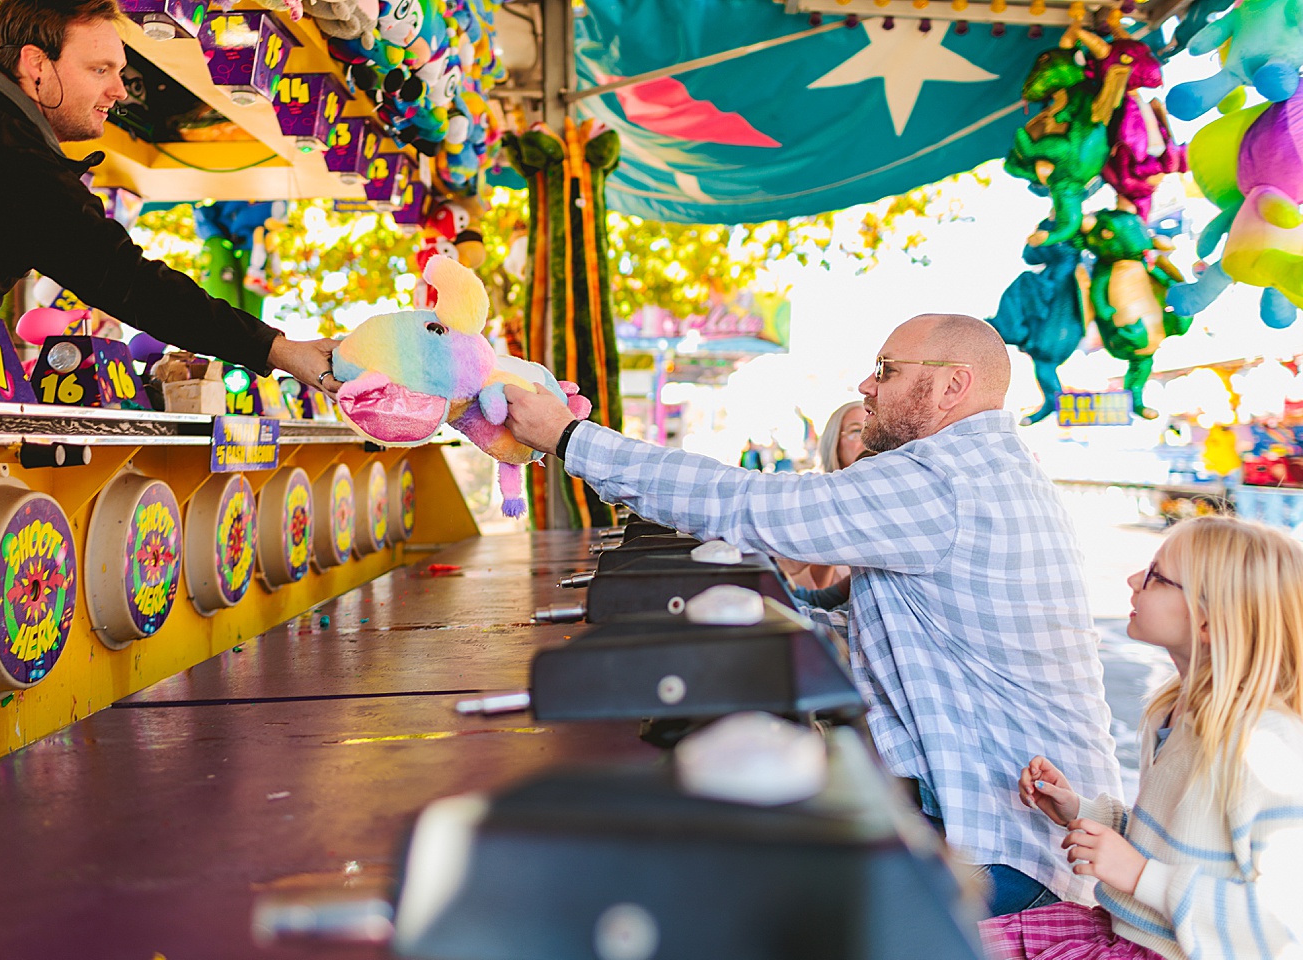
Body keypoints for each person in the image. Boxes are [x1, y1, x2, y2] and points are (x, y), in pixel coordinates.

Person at [504, 313, 1123, 916]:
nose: (866, 386)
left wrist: (569, 438)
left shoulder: (944, 478)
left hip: (999, 848)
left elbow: (744, 503)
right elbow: (869, 637)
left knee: (732, 907)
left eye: (885, 369)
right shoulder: (981, 469)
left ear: (952, 385)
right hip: (1006, 834)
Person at [0, 0, 337, 391]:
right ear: (36, 64)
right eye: (99, 69)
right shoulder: (16, 155)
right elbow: (129, 282)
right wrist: (278, 349)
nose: (119, 91)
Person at [984, 515, 1303, 960]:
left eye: (1156, 576)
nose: (1135, 579)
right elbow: (1179, 843)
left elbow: (1285, 925)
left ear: (1210, 622)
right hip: (1123, 932)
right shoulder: (1176, 709)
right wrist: (1082, 811)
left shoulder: (1267, 745)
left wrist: (1138, 875)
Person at [777, 400, 867, 608]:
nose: (868, 441)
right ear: (834, 442)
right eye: (856, 431)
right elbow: (802, 595)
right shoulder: (808, 500)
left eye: (875, 430)